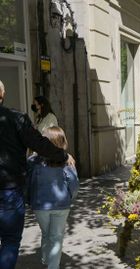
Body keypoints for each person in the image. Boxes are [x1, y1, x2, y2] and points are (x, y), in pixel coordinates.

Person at [0, 81, 73, 269]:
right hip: (9, 190)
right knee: (9, 240)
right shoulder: (16, 118)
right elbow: (39, 143)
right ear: (3, 94)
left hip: (12, 189)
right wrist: (62, 155)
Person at [27, 127, 79, 269]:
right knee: (56, 237)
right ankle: (52, 265)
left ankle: (45, 258)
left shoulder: (33, 161)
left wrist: (29, 199)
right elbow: (74, 184)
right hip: (62, 205)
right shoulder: (67, 161)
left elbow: (28, 182)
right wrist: (71, 198)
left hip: (40, 206)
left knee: (46, 232)